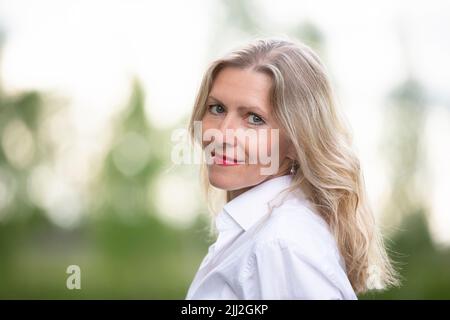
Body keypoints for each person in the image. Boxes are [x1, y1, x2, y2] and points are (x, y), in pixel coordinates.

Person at [185, 37, 398, 299]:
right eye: (217, 108)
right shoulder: (262, 233)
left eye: (254, 118)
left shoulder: (281, 244)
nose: (222, 134)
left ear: (299, 141)